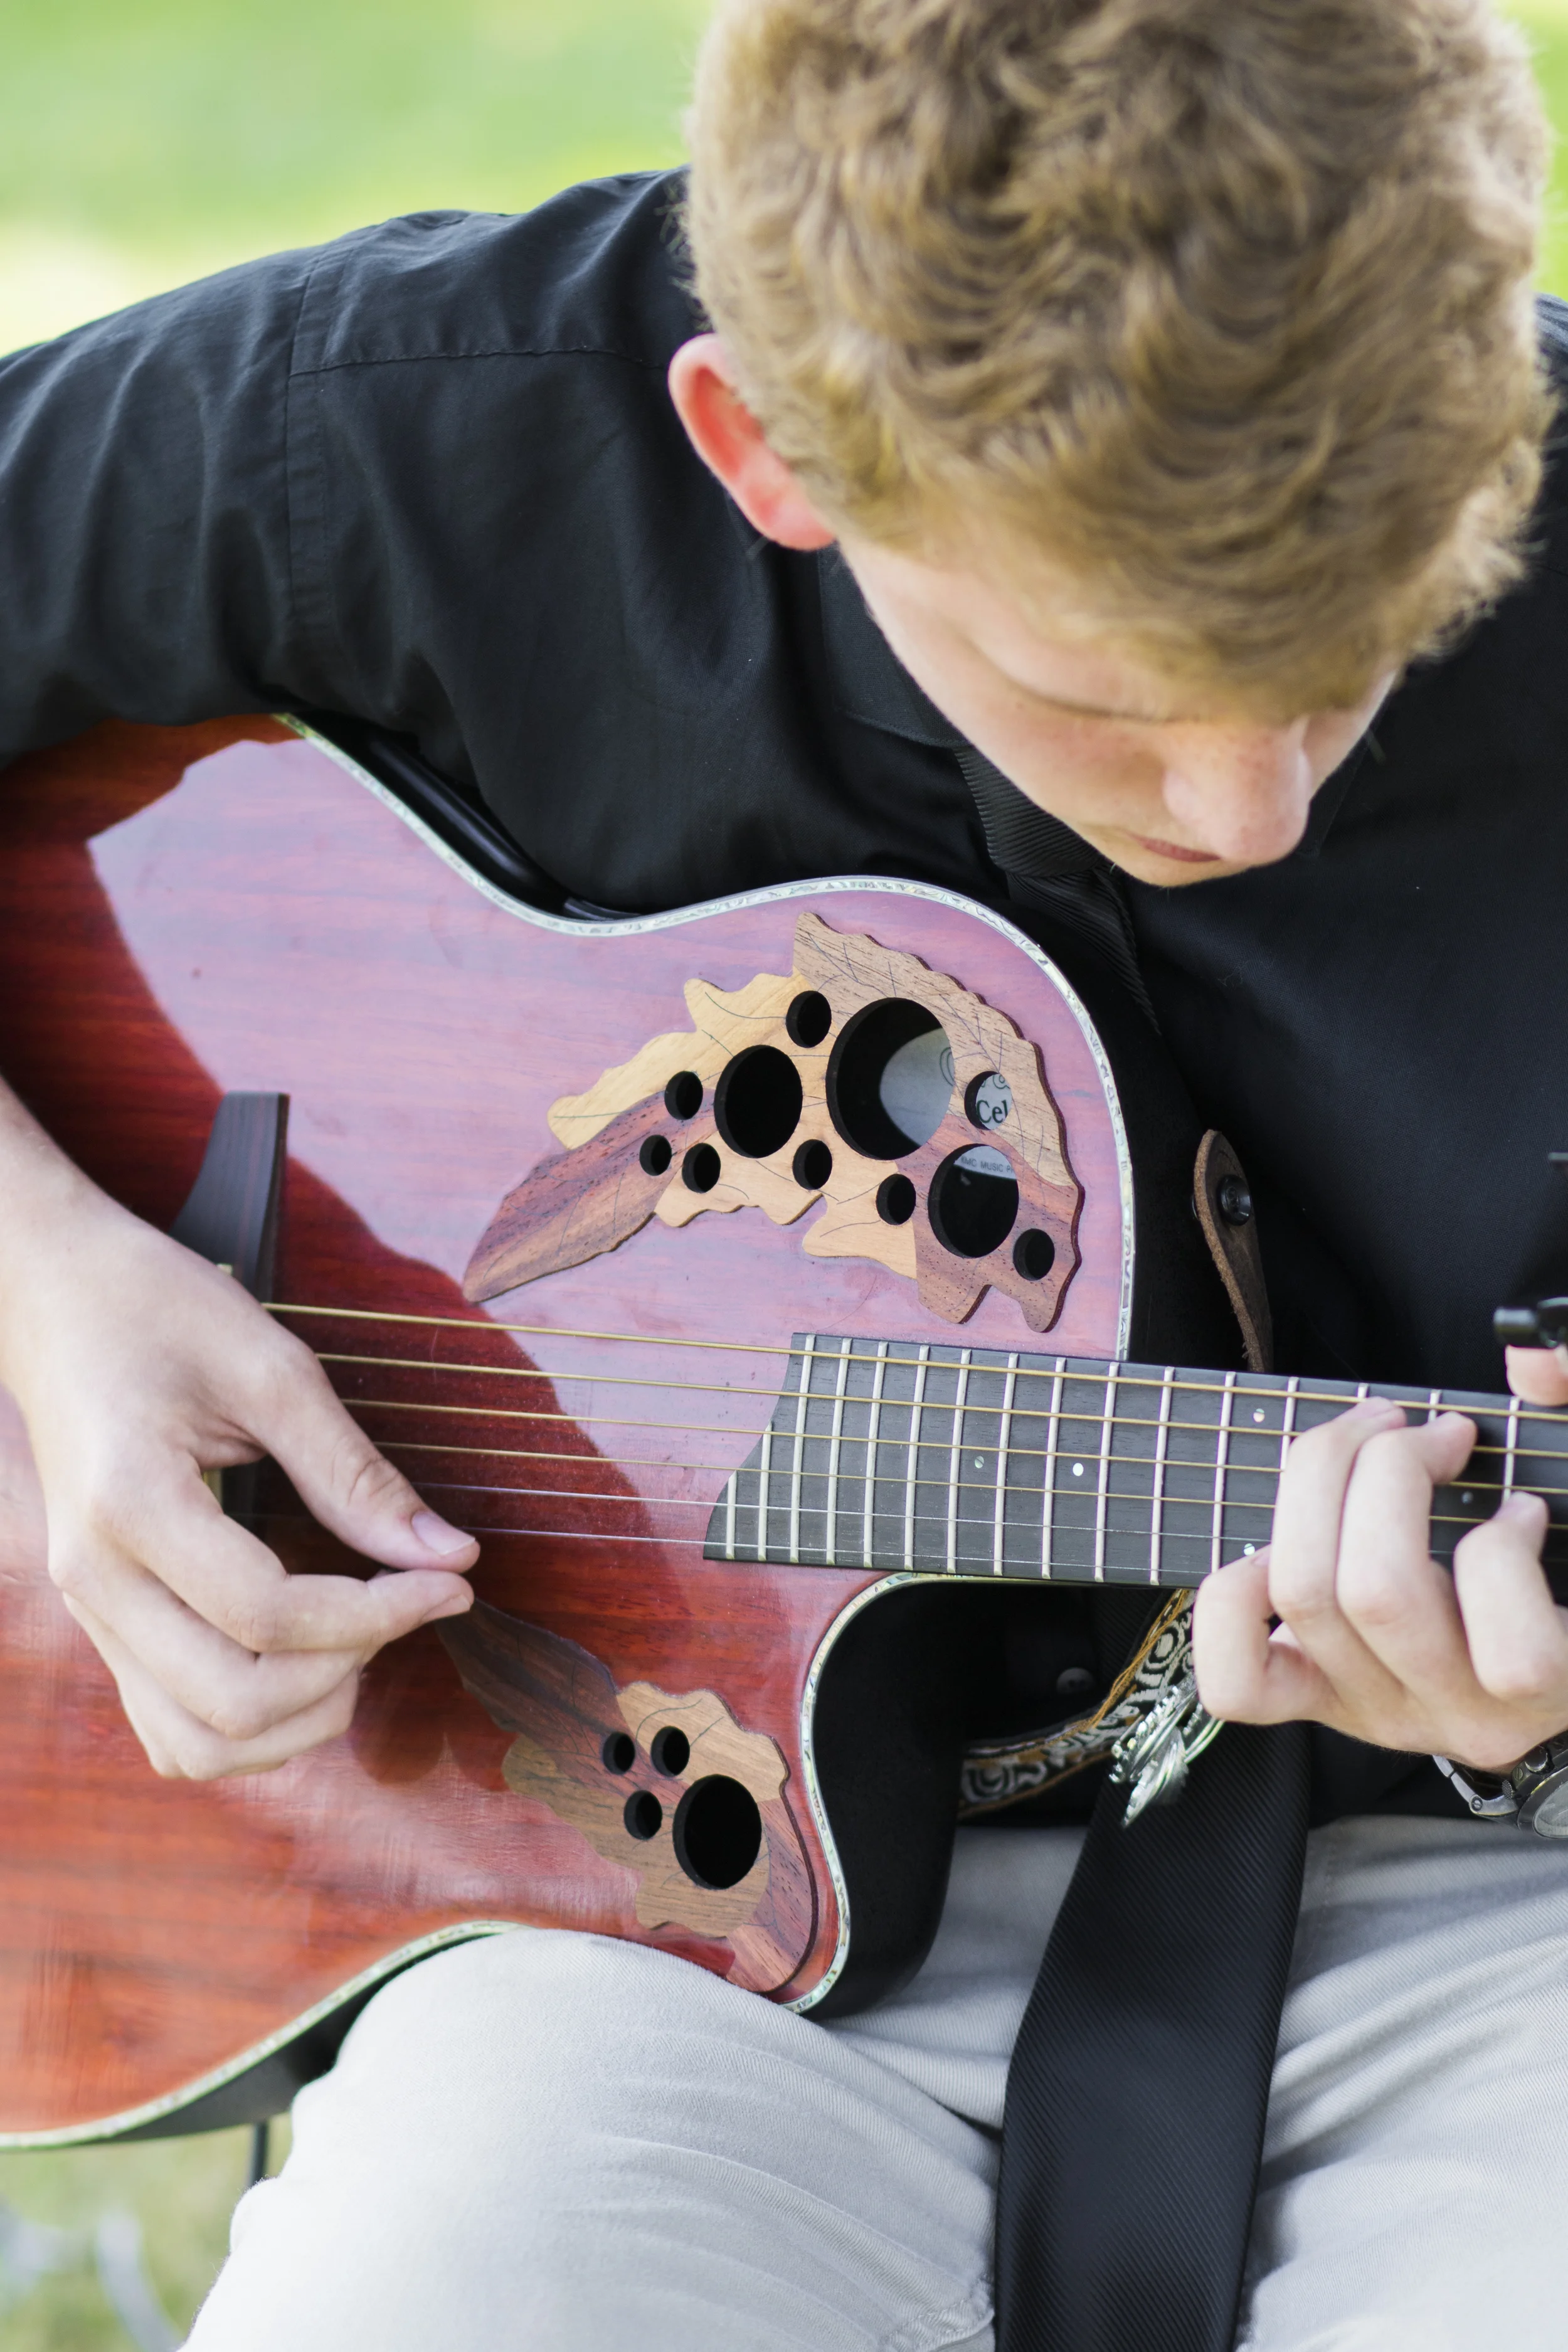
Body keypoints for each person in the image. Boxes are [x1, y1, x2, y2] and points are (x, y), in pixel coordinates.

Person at [3, 0, 1568, 2343]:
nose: (1254, 803)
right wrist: (50, 1281)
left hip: (1490, 1912)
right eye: (1112, 693)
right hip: (622, 1935)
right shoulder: (404, 437)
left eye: (1357, 661)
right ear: (766, 452)